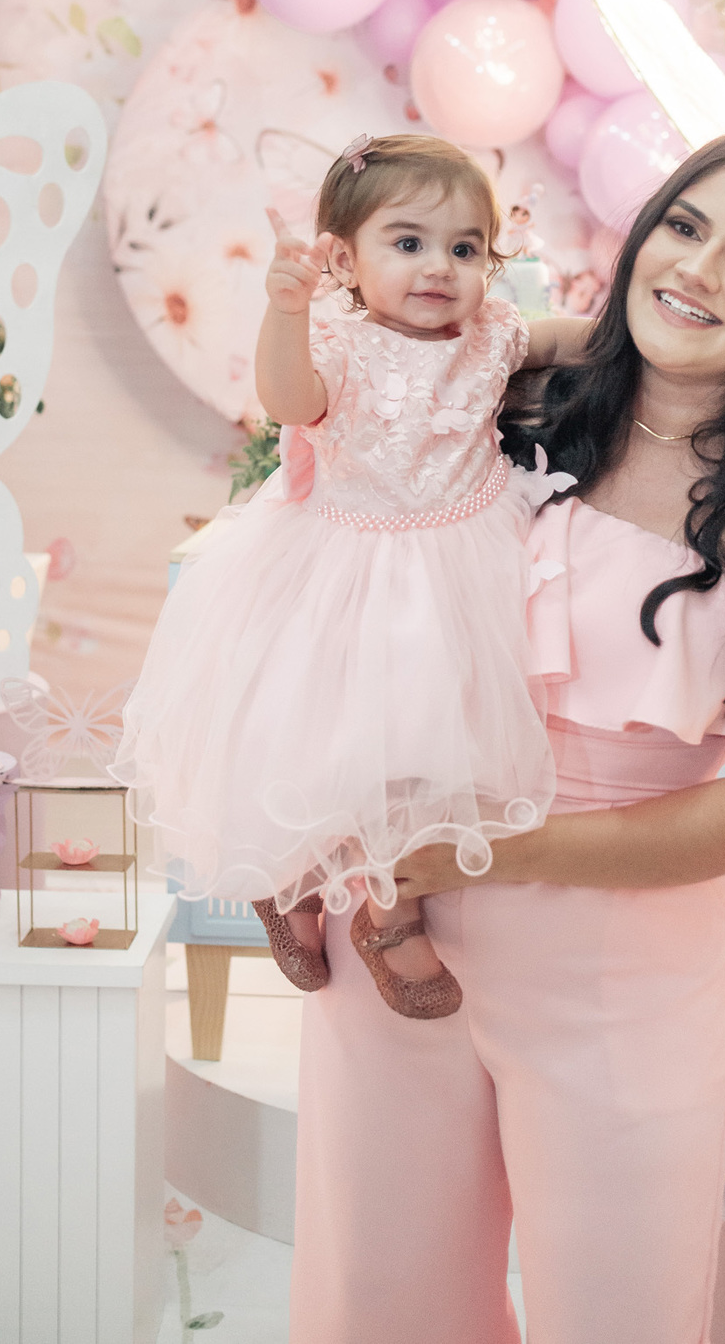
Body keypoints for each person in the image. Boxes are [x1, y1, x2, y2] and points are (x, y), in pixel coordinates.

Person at [288, 130, 725, 1344]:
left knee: (618, 1316)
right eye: (683, 227)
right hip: (395, 941)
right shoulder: (509, 402)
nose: (698, 269)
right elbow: (336, 561)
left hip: (616, 981)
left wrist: (498, 849)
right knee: (379, 1305)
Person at [115, 134, 590, 1020]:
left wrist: (646, 336)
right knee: (325, 747)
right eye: (408, 243)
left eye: (465, 248)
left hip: (463, 568)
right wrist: (286, 311)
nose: (439, 267)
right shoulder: (338, 339)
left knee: (423, 758)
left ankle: (384, 904)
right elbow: (290, 400)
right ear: (343, 260)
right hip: (347, 570)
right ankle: (301, 884)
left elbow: (573, 338)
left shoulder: (494, 333)